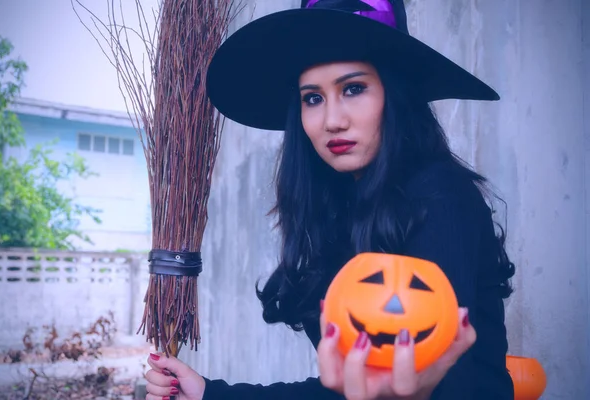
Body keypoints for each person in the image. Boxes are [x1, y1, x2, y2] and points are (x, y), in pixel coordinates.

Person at [143, 0, 516, 399]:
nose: (332, 120)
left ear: (395, 95)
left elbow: (430, 387)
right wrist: (210, 394)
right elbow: (348, 391)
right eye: (313, 98)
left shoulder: (440, 198)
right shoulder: (336, 208)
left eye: (353, 89)